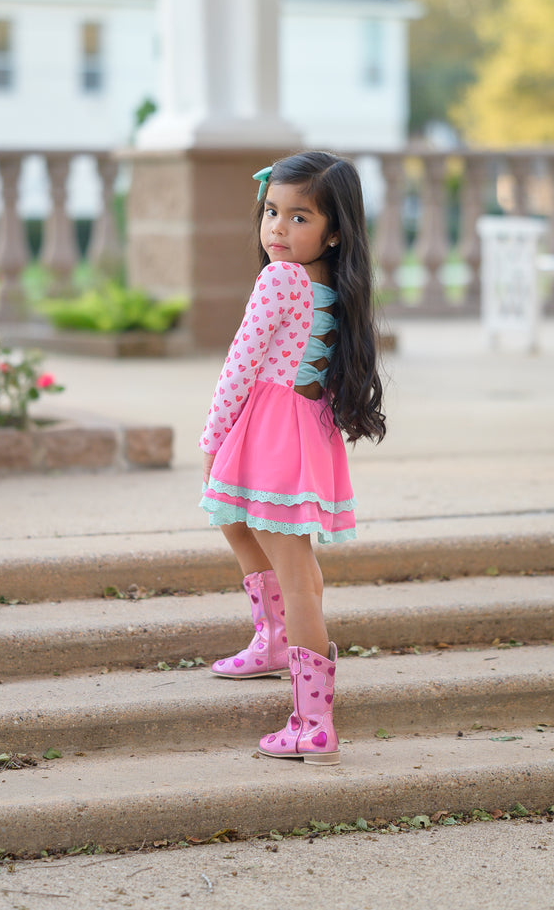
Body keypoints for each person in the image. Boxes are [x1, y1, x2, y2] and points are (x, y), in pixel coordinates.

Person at [198, 151, 387, 766]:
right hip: (304, 429)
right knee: (235, 517)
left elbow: (238, 368)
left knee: (295, 571)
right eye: (271, 212)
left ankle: (313, 722)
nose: (277, 228)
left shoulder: (279, 280)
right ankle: (274, 639)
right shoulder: (333, 279)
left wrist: (211, 438)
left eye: (298, 217)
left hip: (271, 426)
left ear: (333, 230)